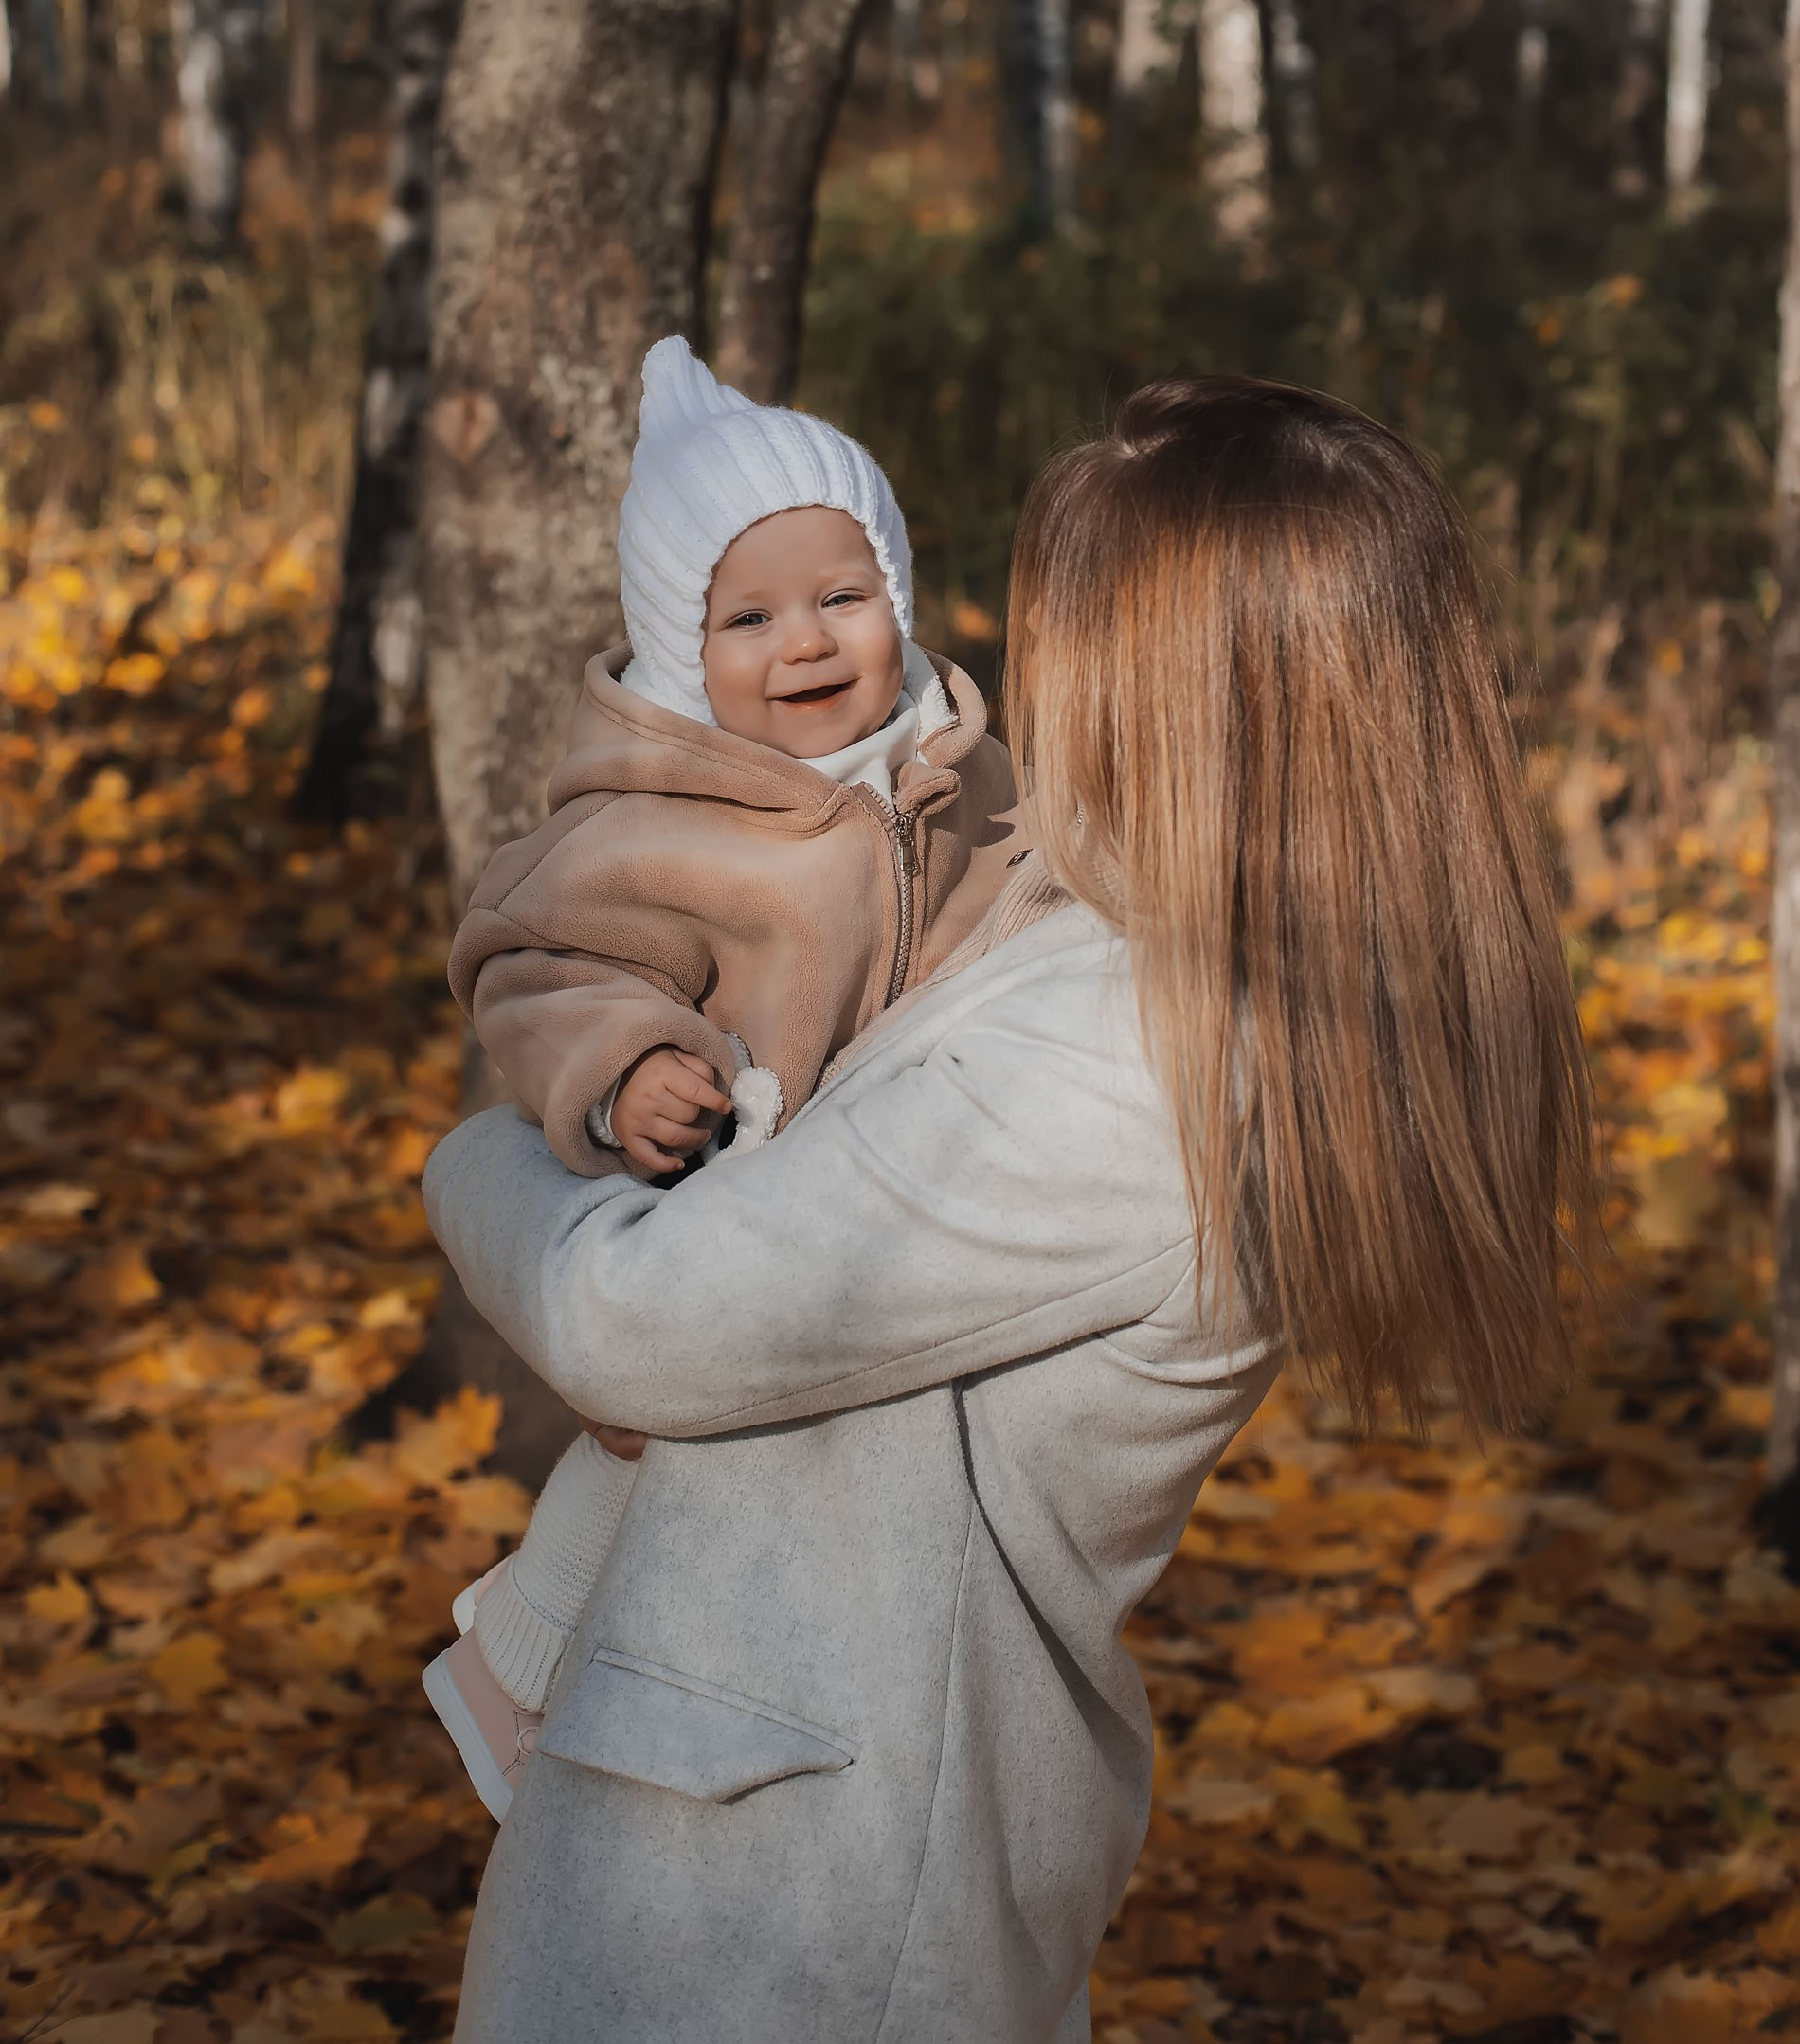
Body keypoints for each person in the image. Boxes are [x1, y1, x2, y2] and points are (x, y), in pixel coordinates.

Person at [423, 375, 1599, 2044]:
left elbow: (637, 1322)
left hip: (785, 1904)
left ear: (1171, 690)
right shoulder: (1182, 978)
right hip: (831, 1827)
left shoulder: (1126, 1062)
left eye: (1065, 634)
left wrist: (470, 1163)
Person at [423, 337, 1022, 1816]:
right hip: (723, 1183)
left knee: (771, 1492)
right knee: (656, 1446)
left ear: (897, 594)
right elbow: (542, 966)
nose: (807, 644)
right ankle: (523, 1657)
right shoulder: (651, 828)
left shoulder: (962, 769)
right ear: (686, 653)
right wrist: (629, 1070)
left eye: (842, 597)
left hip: (885, 1208)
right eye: (748, 618)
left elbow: (1046, 900)